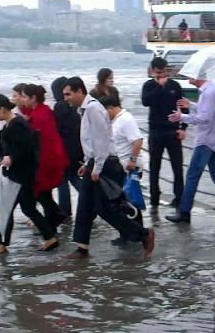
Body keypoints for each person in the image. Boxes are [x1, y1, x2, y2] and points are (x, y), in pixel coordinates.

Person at [62, 77, 155, 259]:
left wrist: (96, 168)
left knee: (105, 208)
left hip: (105, 163)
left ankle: (143, 234)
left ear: (80, 91)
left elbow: (102, 140)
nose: (66, 98)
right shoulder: (86, 110)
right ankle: (82, 247)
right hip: (96, 161)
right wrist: (87, 162)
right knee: (85, 206)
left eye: (68, 94)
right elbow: (91, 140)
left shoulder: (93, 109)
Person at [0, 94, 59, 254]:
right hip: (18, 175)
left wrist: (11, 157)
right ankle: (49, 237)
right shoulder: (9, 124)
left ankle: (2, 243)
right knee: (25, 208)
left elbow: (26, 148)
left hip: (22, 176)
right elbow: (11, 148)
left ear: (2, 109)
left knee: (12, 209)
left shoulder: (17, 124)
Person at [165, 77, 215, 223]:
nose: (188, 78)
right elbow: (206, 112)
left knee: (192, 176)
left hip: (206, 140)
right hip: (214, 139)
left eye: (190, 76)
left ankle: (184, 212)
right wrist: (192, 105)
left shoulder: (207, 93)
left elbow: (204, 118)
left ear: (198, 77)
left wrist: (182, 116)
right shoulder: (212, 90)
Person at [22, 84, 70, 231]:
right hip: (51, 157)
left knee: (43, 192)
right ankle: (55, 220)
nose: (23, 100)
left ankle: (53, 223)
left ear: (33, 98)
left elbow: (44, 142)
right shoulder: (43, 111)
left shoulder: (39, 116)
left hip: (47, 160)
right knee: (45, 195)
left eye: (24, 96)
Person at [141, 57, 187, 212]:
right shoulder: (149, 85)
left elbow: (184, 106)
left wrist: (183, 127)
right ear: (153, 71)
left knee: (177, 167)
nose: (163, 75)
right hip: (155, 131)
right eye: (159, 72)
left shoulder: (175, 85)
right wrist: (159, 87)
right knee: (155, 166)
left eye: (165, 72)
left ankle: (179, 197)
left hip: (172, 130)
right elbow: (145, 101)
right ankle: (154, 198)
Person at [102, 86, 145, 230]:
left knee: (131, 200)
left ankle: (138, 230)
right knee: (124, 200)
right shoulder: (114, 121)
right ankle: (130, 231)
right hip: (120, 166)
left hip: (129, 166)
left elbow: (137, 141)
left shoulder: (126, 119)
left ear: (110, 108)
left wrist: (132, 161)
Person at [53, 76, 83, 220]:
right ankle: (91, 202)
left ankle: (65, 211)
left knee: (63, 181)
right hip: (76, 148)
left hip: (64, 150)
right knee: (74, 177)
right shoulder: (74, 108)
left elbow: (57, 129)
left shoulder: (59, 107)